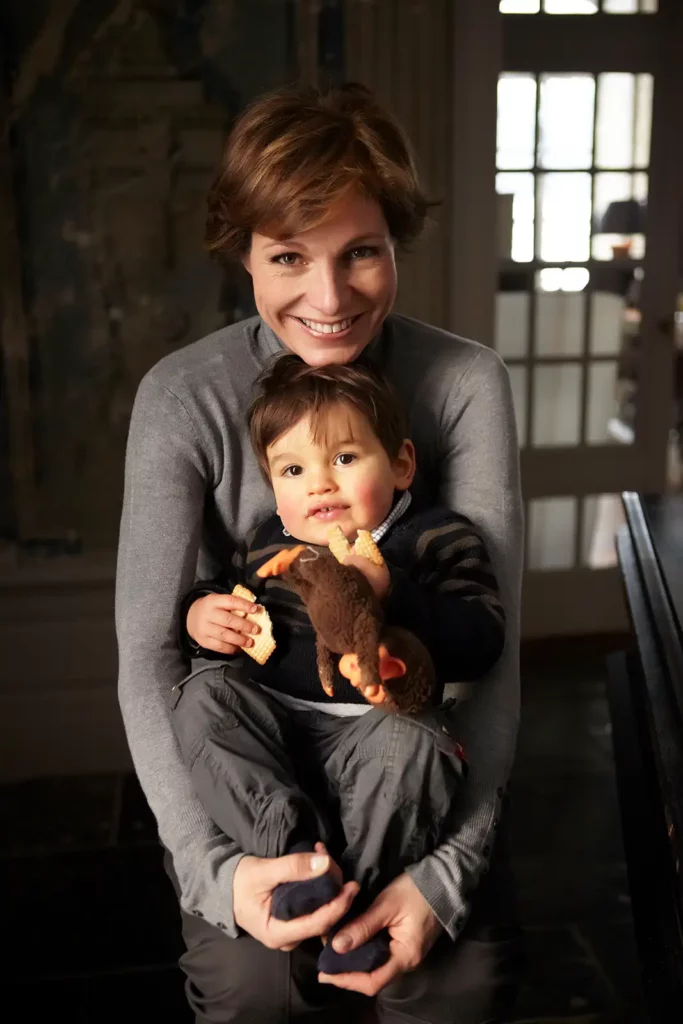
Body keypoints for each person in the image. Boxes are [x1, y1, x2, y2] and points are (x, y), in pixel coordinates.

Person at [116, 82, 524, 1023]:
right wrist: (221, 875)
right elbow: (151, 658)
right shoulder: (181, 397)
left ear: (395, 244)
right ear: (244, 253)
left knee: (456, 984)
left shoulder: (465, 383)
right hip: (255, 765)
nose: (330, 299)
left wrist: (443, 878)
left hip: (406, 749)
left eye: (361, 253)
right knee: (251, 988)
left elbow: (491, 661)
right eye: (288, 256)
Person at [171, 354, 506, 976]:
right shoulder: (268, 543)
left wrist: (392, 592)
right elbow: (224, 598)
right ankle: (297, 859)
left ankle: (354, 903)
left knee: (422, 743)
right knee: (201, 698)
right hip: (276, 735)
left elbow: (483, 639)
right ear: (273, 484)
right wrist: (202, 617)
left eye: (345, 458)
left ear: (401, 464)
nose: (319, 485)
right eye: (293, 469)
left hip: (377, 734)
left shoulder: (437, 538)